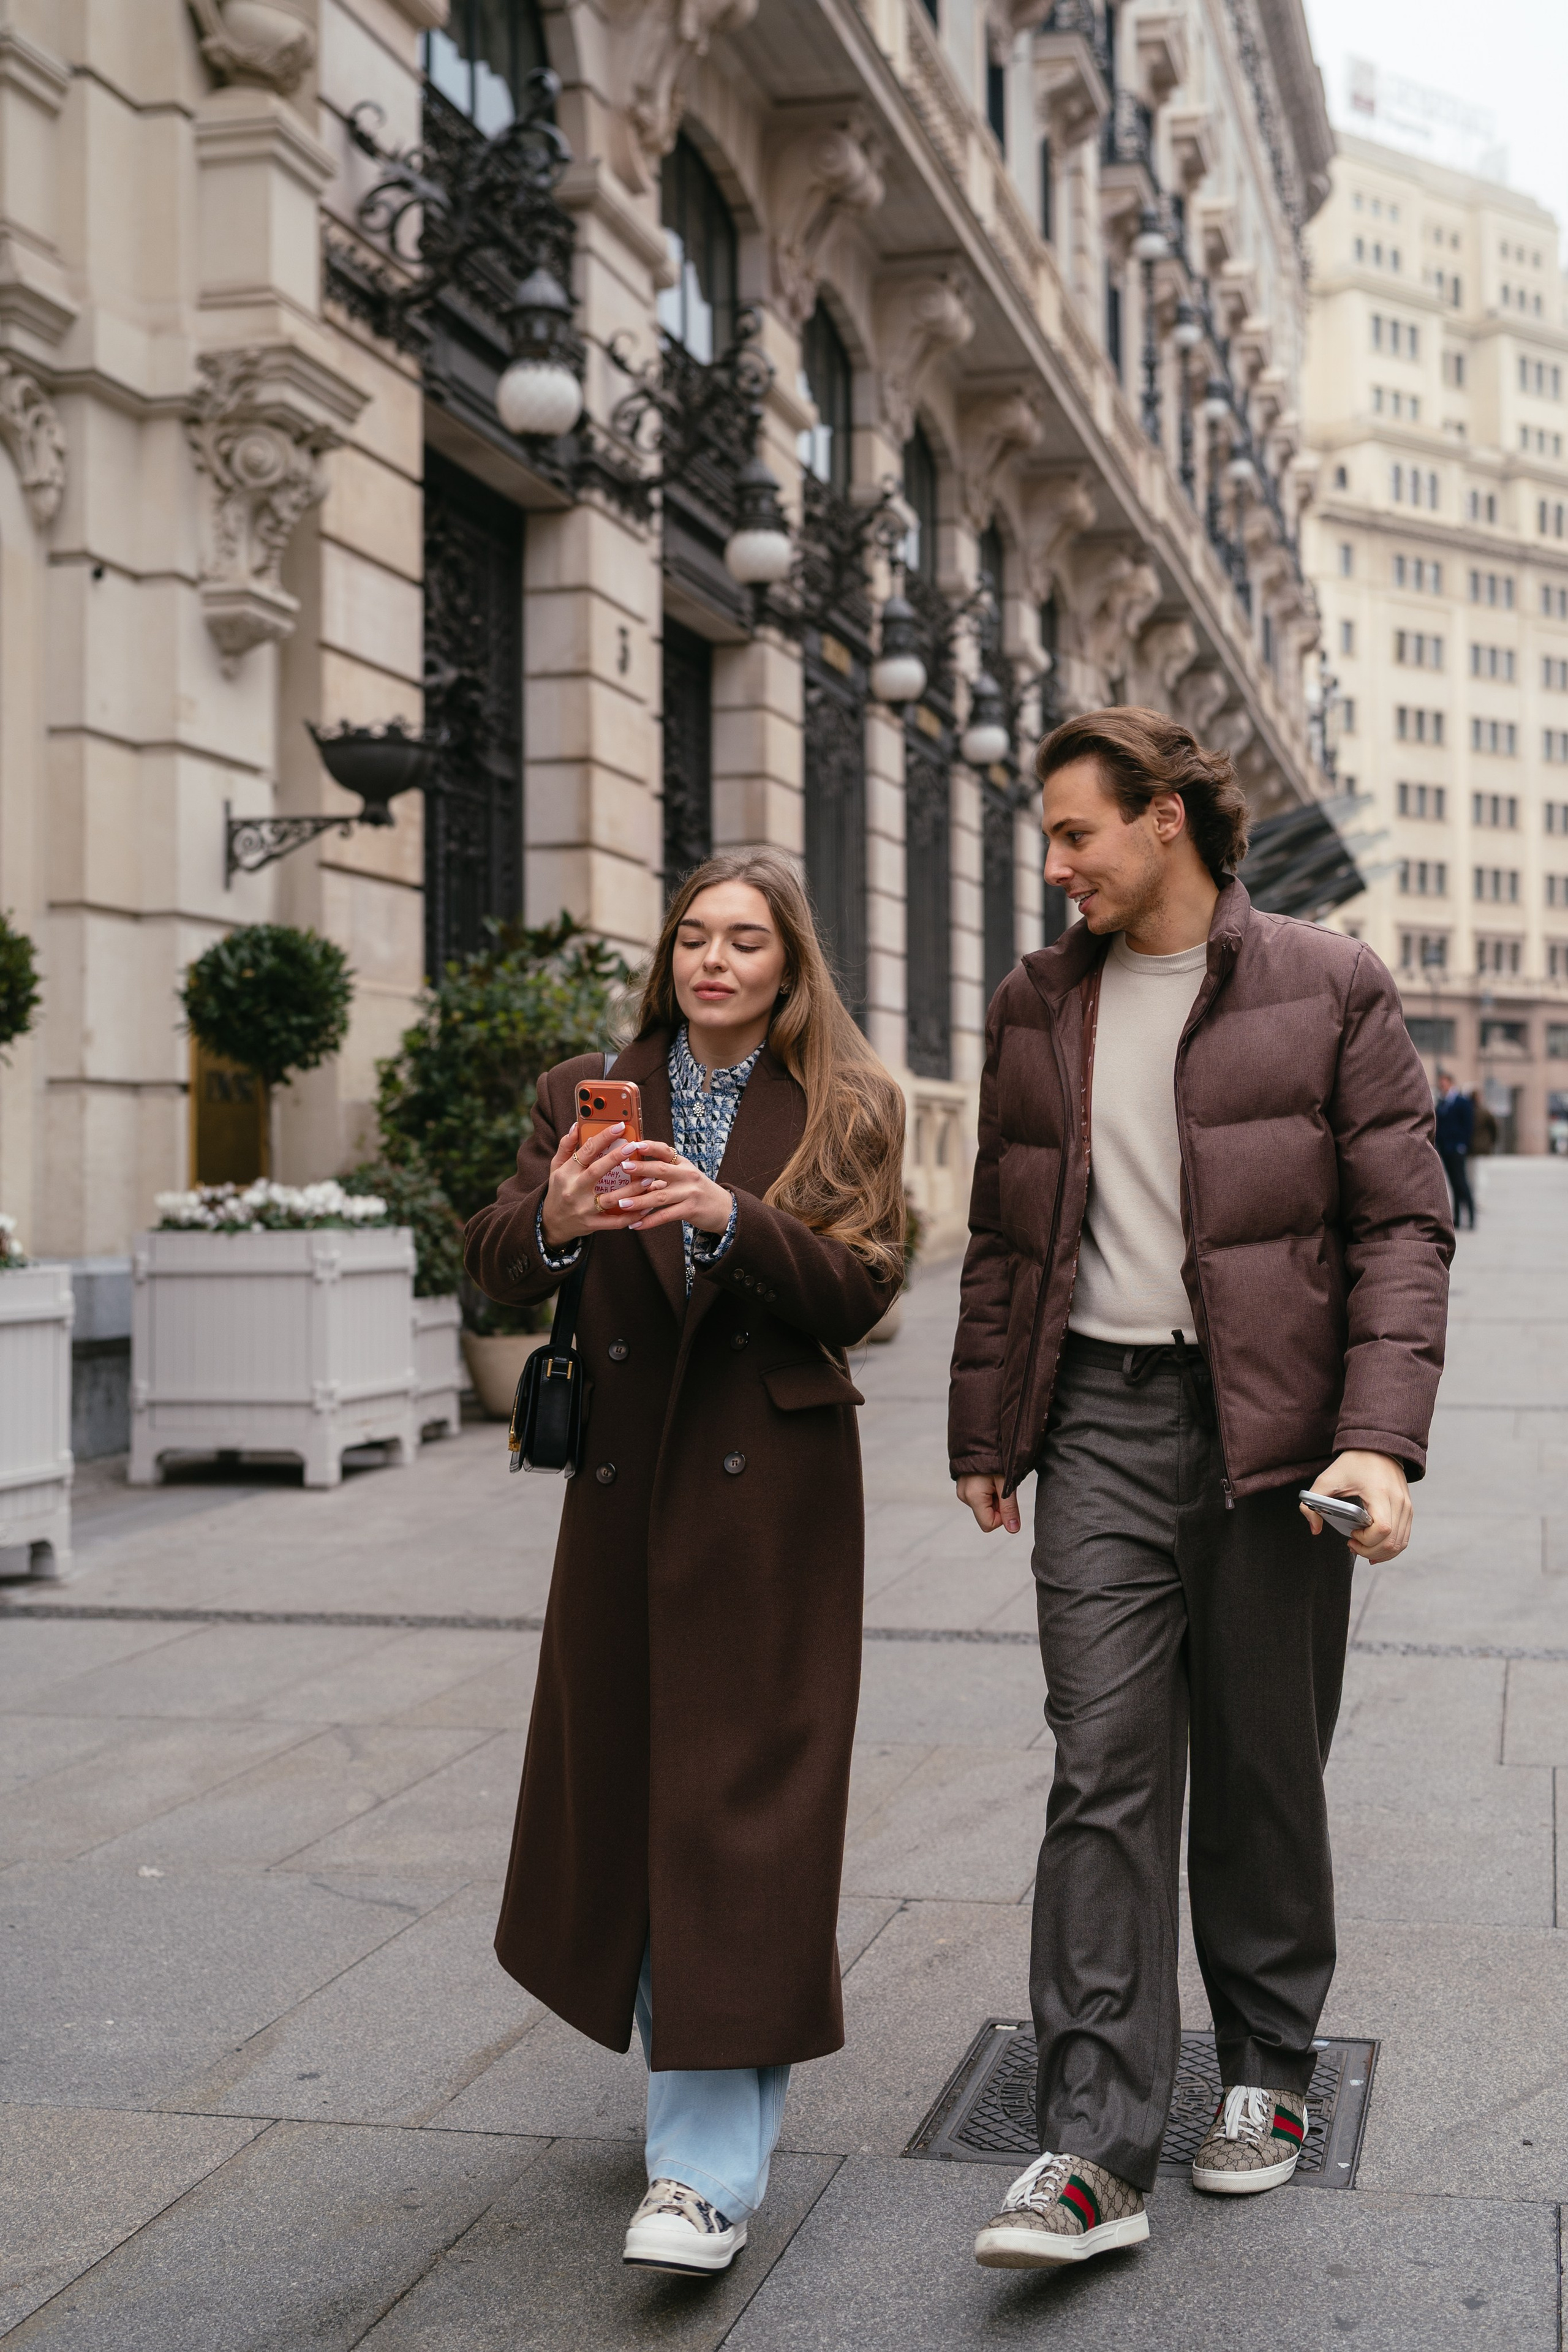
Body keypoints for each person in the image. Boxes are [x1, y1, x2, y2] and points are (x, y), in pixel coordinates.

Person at [948, 708, 1452, 2274]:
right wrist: (985, 1425)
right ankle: (1087, 2151)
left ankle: (1266, 2069)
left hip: (1276, 1430)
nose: (1055, 864)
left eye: (1075, 833)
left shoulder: (1325, 981)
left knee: (1256, 1759)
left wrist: (1376, 1436)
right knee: (1098, 1758)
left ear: (1164, 819)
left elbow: (1400, 1228)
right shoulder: (1037, 999)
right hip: (1095, 1415)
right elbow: (1006, 1231)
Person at [464, 850, 905, 2278]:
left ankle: (702, 2166)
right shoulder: (582, 1087)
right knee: (636, 1790)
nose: (714, 960)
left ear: (788, 966)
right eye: (693, 936)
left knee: (740, 1803)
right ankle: (705, 2072)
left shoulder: (846, 1101)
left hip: (771, 1495)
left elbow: (863, 1291)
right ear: (667, 955)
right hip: (619, 1489)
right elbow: (485, 1258)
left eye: (745, 941)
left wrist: (729, 1219)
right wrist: (558, 1219)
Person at [1433, 1069, 1476, 1229]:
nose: (1442, 1086)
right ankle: (1457, 1218)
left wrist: (1462, 1144)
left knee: (1462, 1183)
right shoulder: (1442, 1102)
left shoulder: (1461, 1102)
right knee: (1453, 1184)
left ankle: (1471, 1217)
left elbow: (1468, 1126)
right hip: (1446, 1149)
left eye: (1444, 1083)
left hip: (1457, 1149)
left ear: (1450, 1083)